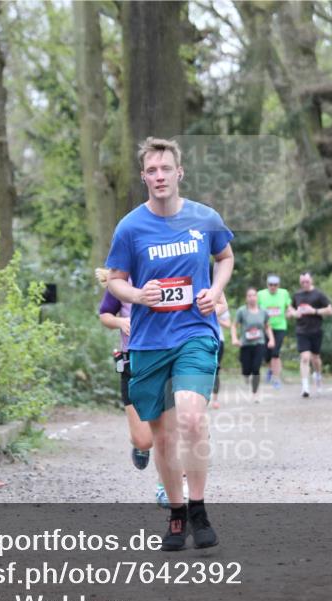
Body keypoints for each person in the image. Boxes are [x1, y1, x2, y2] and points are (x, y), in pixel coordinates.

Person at [105, 136, 234, 551]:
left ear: (179, 172)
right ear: (144, 177)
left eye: (166, 169)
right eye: (152, 170)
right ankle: (177, 514)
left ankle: (199, 508)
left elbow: (225, 257)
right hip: (148, 342)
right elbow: (114, 280)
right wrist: (138, 295)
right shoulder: (130, 228)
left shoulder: (205, 218)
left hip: (195, 332)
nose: (159, 176)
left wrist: (215, 291)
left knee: (192, 420)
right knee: (161, 438)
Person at [95, 268, 170, 509]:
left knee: (167, 432)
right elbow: (105, 314)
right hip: (132, 362)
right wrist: (120, 321)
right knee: (144, 440)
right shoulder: (121, 282)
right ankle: (140, 446)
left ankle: (165, 487)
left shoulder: (166, 272)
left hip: (164, 359)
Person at [288, 272, 332, 398]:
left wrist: (314, 311)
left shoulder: (318, 295)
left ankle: (318, 375)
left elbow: (330, 310)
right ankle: (305, 387)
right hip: (302, 331)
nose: (305, 284)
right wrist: (293, 313)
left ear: (311, 280)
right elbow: (289, 310)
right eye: (302, 282)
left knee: (315, 358)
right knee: (305, 357)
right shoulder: (297, 295)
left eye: (307, 281)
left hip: (316, 330)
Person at [230, 287, 276, 403]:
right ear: (246, 298)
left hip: (259, 343)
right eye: (249, 296)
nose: (252, 298)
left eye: (254, 295)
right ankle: (246, 376)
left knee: (256, 368)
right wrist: (235, 338)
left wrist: (271, 339)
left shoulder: (263, 311)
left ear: (257, 297)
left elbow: (267, 326)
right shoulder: (242, 311)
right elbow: (234, 326)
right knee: (246, 371)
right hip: (245, 344)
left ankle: (255, 393)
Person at [257, 274, 291, 389]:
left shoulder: (284, 293)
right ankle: (271, 369)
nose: (273, 287)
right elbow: (256, 309)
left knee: (275, 353)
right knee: (267, 355)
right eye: (271, 285)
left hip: (280, 327)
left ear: (278, 285)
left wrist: (290, 312)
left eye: (275, 285)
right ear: (267, 285)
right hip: (266, 327)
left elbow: (289, 306)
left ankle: (276, 379)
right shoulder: (261, 294)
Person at [211, 292, 231, 409]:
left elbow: (228, 324)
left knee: (216, 370)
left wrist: (217, 319)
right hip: (201, 339)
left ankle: (215, 399)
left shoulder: (220, 304)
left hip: (219, 340)